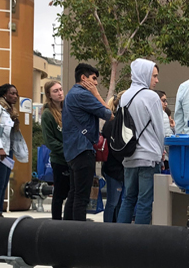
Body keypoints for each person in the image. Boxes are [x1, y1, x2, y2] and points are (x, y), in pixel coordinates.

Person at [62, 63, 113, 221]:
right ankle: (77, 234)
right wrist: (96, 94)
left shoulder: (71, 94)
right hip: (83, 149)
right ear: (83, 78)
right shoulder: (83, 95)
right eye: (94, 79)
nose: (96, 83)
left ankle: (65, 231)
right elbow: (108, 114)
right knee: (82, 197)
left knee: (74, 193)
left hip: (72, 150)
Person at [117, 59, 165, 225]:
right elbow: (159, 128)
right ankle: (140, 241)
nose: (156, 80)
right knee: (145, 202)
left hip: (129, 156)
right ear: (144, 75)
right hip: (149, 157)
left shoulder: (124, 97)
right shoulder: (151, 97)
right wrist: (161, 152)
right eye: (154, 76)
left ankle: (120, 237)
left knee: (128, 199)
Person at [0, 83, 21, 217]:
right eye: (12, 93)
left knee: (4, 183)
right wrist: (0, 148)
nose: (15, 96)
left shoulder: (10, 111)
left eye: (16, 93)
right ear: (3, 94)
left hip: (8, 150)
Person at [40, 80, 70, 220]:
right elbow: (49, 141)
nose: (59, 93)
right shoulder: (47, 114)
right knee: (59, 193)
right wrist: (66, 150)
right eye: (55, 91)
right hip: (59, 159)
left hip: (73, 158)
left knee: (73, 192)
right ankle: (56, 221)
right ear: (49, 95)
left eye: (60, 89)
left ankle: (69, 220)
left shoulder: (68, 109)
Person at [101, 93, 126, 222]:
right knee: (113, 202)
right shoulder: (113, 123)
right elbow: (114, 148)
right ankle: (108, 228)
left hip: (117, 167)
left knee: (118, 203)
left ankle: (114, 226)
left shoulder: (117, 122)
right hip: (114, 168)